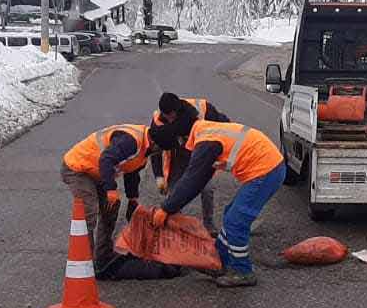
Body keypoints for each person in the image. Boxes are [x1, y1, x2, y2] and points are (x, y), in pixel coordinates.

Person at [152, 120, 285, 288]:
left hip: (266, 171)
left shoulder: (205, 144)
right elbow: (199, 179)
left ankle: (243, 272)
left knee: (236, 221)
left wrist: (166, 208)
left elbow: (192, 181)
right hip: (268, 166)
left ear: (180, 140)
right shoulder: (203, 129)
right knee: (230, 214)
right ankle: (219, 258)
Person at [60, 123, 155, 263]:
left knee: (111, 207)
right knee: (88, 211)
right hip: (78, 168)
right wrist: (110, 189)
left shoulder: (145, 149)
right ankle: (84, 260)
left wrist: (132, 199)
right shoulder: (131, 141)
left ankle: (103, 256)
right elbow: (106, 159)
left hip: (96, 171)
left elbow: (131, 172)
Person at [148, 92, 228, 232]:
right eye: (168, 117)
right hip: (178, 155)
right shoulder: (158, 123)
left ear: (177, 111)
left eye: (173, 116)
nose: (171, 120)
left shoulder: (204, 110)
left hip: (201, 152)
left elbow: (227, 126)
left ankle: (208, 226)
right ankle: (174, 226)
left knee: (207, 189)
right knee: (174, 192)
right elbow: (156, 149)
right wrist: (159, 176)